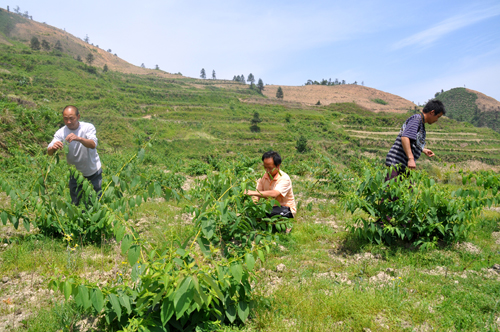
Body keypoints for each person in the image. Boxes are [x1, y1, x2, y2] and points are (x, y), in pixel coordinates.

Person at [47, 105, 102, 206]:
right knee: (76, 202)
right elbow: (49, 151)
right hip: (75, 174)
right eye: (65, 119)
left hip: (93, 172)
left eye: (71, 118)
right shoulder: (61, 132)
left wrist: (79, 138)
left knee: (94, 202)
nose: (68, 122)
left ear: (78, 117)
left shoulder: (87, 127)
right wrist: (54, 147)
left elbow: (93, 144)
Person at [385, 99, 446, 180]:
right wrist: (411, 159)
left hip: (403, 165)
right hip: (396, 163)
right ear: (432, 112)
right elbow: (405, 137)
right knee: (392, 191)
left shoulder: (420, 123)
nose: (437, 120)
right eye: (437, 117)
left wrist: (423, 149)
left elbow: (411, 140)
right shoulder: (416, 119)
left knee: (408, 190)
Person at [245, 150, 296, 219]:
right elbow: (257, 194)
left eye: (270, 168)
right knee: (254, 211)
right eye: (265, 167)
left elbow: (274, 194)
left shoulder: (284, 178)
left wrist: (251, 192)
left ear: (278, 166)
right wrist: (252, 206)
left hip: (285, 208)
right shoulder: (263, 176)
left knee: (267, 213)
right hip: (270, 207)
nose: (267, 170)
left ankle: (286, 227)